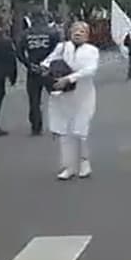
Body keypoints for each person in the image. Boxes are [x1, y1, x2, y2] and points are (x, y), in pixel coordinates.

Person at [41, 21, 99, 180]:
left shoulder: (92, 51)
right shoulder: (62, 47)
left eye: (82, 31)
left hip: (83, 96)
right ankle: (68, 166)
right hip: (63, 96)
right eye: (75, 30)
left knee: (80, 130)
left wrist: (69, 78)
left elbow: (91, 69)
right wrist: (47, 70)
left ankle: (84, 162)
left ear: (87, 35)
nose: (78, 33)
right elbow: (47, 61)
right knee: (64, 132)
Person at [17, 12, 61, 136]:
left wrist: (28, 64)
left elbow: (19, 52)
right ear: (44, 19)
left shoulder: (26, 34)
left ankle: (36, 126)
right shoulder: (53, 32)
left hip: (33, 70)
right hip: (49, 71)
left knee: (34, 101)